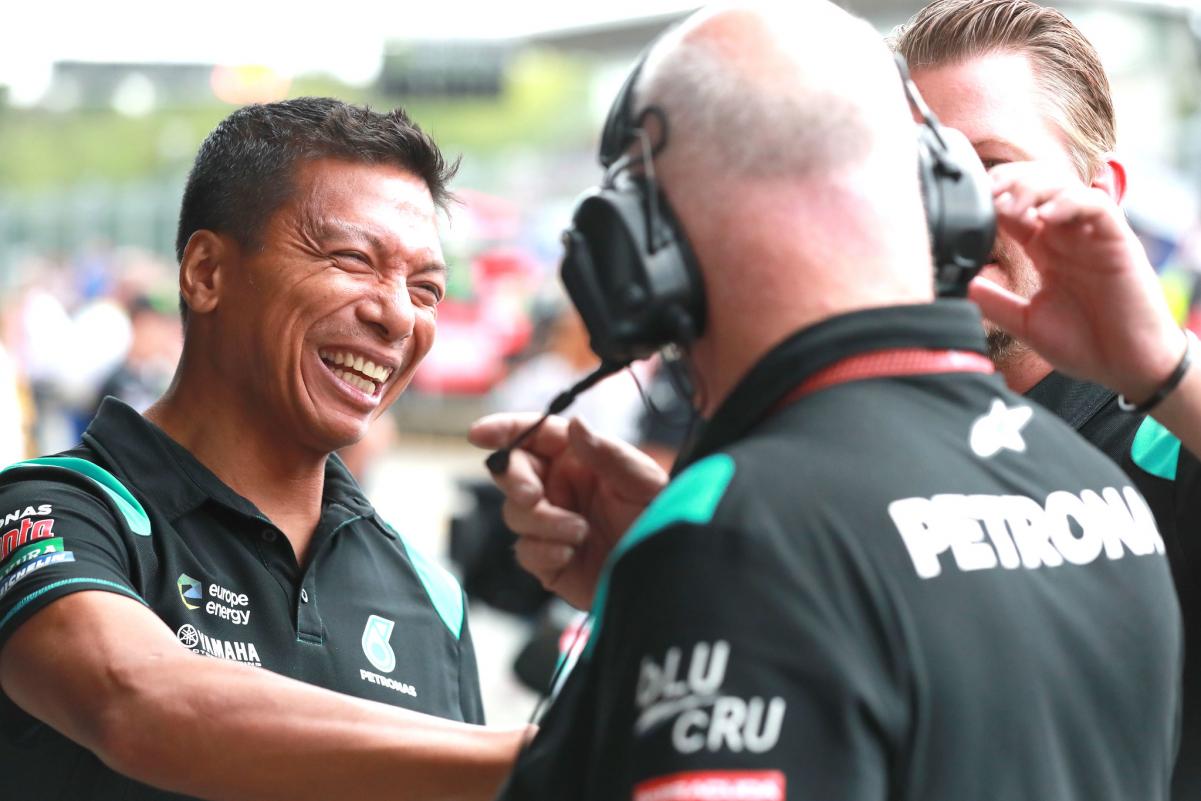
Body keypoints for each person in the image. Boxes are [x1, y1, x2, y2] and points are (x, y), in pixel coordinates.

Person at [472, 4, 1182, 800]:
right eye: (918, 172)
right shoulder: (1085, 498)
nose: (943, 213)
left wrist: (1162, 372)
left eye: (988, 165)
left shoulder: (1162, 440)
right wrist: (671, 591)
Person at [0, 98, 526, 800]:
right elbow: (137, 702)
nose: (399, 314)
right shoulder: (53, 513)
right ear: (206, 273)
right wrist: (549, 756)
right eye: (352, 259)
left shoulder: (430, 598)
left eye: (426, 288)